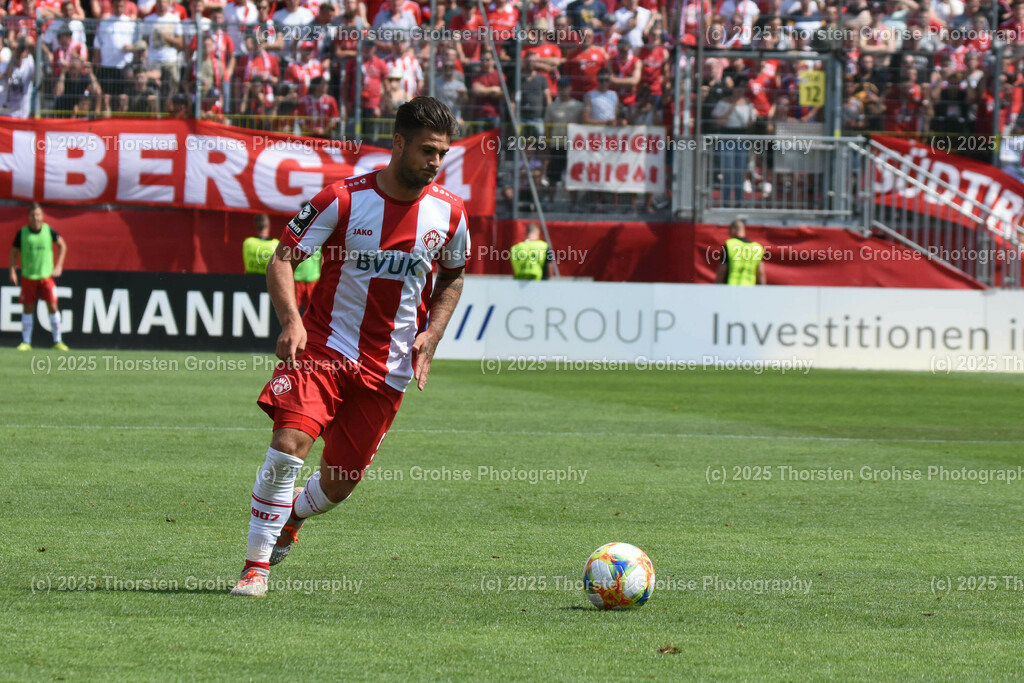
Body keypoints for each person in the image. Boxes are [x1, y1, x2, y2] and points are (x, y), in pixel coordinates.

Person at [230, 96, 468, 597]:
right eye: (427, 150)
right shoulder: (340, 198)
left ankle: (290, 520)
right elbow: (282, 259)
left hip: (389, 368)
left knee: (337, 485)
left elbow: (453, 276)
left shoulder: (449, 213)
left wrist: (434, 333)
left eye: (442, 153)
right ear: (398, 143)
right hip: (322, 350)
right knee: (288, 448)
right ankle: (255, 569)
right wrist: (291, 322)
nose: (434, 162)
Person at [9, 203, 69, 351]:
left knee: (53, 306)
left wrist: (59, 266)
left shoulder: (49, 231)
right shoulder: (22, 233)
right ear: (29, 217)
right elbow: (13, 252)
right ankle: (26, 342)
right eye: (33, 215)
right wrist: (11, 270)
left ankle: (58, 341)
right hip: (28, 276)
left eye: (38, 215)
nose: (35, 218)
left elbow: (62, 246)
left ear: (42, 216)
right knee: (27, 308)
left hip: (46, 276)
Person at [715, 219, 766, 286]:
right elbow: (761, 273)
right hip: (749, 289)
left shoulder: (730, 244)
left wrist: (716, 286)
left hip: (730, 289)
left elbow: (722, 271)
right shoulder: (757, 248)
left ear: (733, 230)